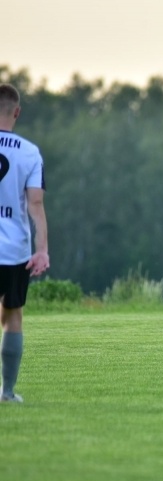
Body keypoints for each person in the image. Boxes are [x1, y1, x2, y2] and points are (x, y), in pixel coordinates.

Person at [0, 83, 49, 404]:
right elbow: (35, 204)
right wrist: (42, 249)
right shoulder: (29, 152)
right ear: (16, 111)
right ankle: (7, 392)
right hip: (14, 249)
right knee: (13, 314)